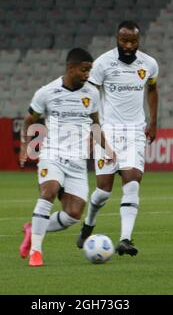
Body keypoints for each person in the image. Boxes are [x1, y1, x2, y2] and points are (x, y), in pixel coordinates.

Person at [18, 48, 115, 267]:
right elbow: (29, 119)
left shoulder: (90, 94)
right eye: (83, 70)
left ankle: (33, 229)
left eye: (89, 70)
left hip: (77, 162)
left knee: (72, 214)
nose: (87, 75)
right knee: (49, 191)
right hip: (52, 154)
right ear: (70, 67)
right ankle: (36, 251)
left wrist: (107, 150)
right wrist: (25, 146)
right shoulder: (47, 92)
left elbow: (95, 124)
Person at [76, 20, 159, 256]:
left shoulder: (149, 64)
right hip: (108, 131)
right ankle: (88, 224)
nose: (129, 45)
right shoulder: (102, 63)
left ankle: (125, 239)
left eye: (133, 41)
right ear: (116, 38)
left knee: (132, 181)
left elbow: (152, 89)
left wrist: (153, 122)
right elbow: (89, 95)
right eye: (124, 40)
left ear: (139, 40)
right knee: (103, 191)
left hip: (135, 131)